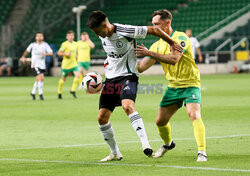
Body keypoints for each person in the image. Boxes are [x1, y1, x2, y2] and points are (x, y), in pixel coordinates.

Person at [87, 10, 182, 162]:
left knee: (127, 106)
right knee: (102, 118)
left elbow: (154, 30)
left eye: (99, 31)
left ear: (105, 25)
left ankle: (145, 144)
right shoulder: (101, 34)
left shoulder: (125, 30)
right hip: (111, 79)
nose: (98, 35)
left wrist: (172, 42)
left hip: (128, 76)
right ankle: (115, 153)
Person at [136, 10, 207, 162]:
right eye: (152, 24)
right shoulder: (156, 45)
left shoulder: (180, 38)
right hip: (173, 86)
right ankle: (168, 144)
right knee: (160, 122)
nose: (153, 28)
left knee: (193, 114)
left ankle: (202, 152)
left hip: (190, 84)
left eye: (157, 24)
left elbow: (174, 58)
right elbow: (141, 67)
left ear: (167, 23)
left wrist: (150, 53)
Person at [21, 32, 53, 100]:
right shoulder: (32, 45)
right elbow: (27, 51)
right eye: (38, 36)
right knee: (41, 78)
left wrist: (46, 54)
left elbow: (51, 53)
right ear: (36, 37)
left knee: (38, 79)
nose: (39, 37)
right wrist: (23, 57)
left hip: (42, 64)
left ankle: (33, 93)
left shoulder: (45, 45)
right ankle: (40, 94)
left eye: (41, 36)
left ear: (43, 37)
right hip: (35, 64)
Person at [57, 30, 81, 99]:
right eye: (70, 35)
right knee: (63, 79)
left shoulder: (75, 44)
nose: (71, 37)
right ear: (67, 37)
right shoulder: (64, 44)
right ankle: (59, 92)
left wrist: (77, 56)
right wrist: (66, 54)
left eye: (72, 35)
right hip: (66, 65)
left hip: (73, 64)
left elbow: (76, 52)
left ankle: (72, 90)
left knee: (78, 76)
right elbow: (59, 53)